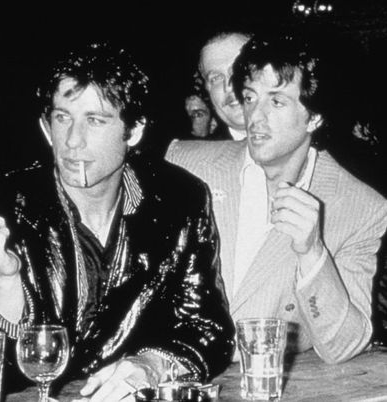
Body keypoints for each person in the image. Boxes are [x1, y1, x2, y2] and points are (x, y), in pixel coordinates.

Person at [0, 42, 235, 399]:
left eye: (95, 120)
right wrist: (3, 283)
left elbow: (207, 327)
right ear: (47, 127)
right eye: (62, 118)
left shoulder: (178, 199)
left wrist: (151, 365)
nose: (73, 141)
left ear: (134, 131)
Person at [166, 31, 387, 364]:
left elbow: (342, 345)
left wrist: (312, 253)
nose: (256, 116)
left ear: (314, 117)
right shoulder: (186, 164)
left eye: (277, 101)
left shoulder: (360, 208)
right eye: (250, 97)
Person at [196, 28, 252, 141]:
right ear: (207, 89)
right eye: (216, 78)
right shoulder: (198, 152)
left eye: (238, 70)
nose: (229, 86)